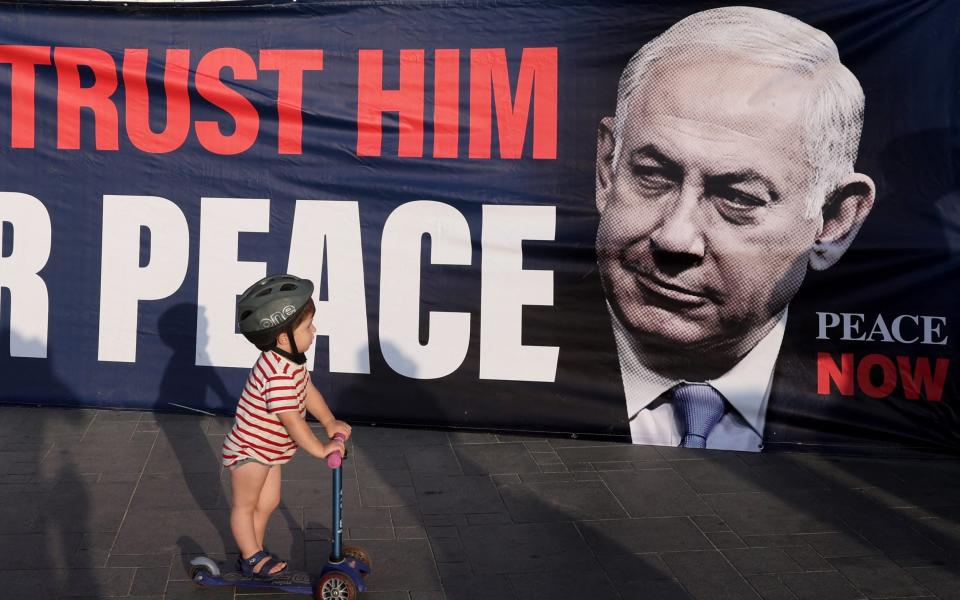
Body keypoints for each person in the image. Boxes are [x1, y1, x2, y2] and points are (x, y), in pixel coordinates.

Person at [594, 6, 876, 451]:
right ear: (607, 170)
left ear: (835, 222)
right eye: (652, 174)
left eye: (739, 198)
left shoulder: (881, 417)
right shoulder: (493, 372)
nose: (674, 237)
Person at [221, 273, 350, 579]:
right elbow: (292, 420)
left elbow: (307, 390)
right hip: (250, 450)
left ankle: (251, 551)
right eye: (307, 327)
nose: (314, 330)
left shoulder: (292, 361)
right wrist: (321, 449)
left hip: (270, 450)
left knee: (268, 502)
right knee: (245, 506)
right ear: (282, 338)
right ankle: (252, 557)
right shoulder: (276, 375)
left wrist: (330, 421)